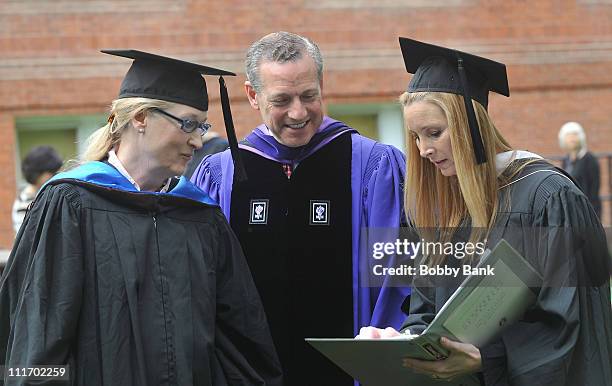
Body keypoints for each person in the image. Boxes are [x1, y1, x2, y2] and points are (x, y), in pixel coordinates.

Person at [0, 49, 281, 386]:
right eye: (188, 123)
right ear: (141, 118)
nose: (197, 139)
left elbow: (240, 345)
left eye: (202, 126)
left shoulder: (200, 217)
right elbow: (36, 346)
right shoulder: (71, 205)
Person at [357, 37, 612, 386]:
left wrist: (481, 360)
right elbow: (426, 309)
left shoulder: (548, 197)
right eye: (416, 137)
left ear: (470, 127)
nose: (424, 150)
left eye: (434, 133)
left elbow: (568, 326)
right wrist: (407, 342)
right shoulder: (445, 209)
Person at [191, 31, 409, 385]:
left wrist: (379, 363)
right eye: (282, 99)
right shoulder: (220, 175)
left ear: (322, 83)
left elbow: (397, 275)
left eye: (309, 95)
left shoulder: (374, 166)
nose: (298, 112)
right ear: (252, 95)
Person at [11, 145, 63, 233]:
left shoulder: (48, 193)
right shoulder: (25, 202)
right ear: (37, 173)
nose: (55, 176)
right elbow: (28, 238)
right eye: (52, 173)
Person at [558, 121, 602, 218]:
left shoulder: (589, 160)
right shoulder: (566, 160)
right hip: (571, 212)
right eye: (568, 135)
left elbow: (593, 192)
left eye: (575, 134)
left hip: (587, 213)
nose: (572, 138)